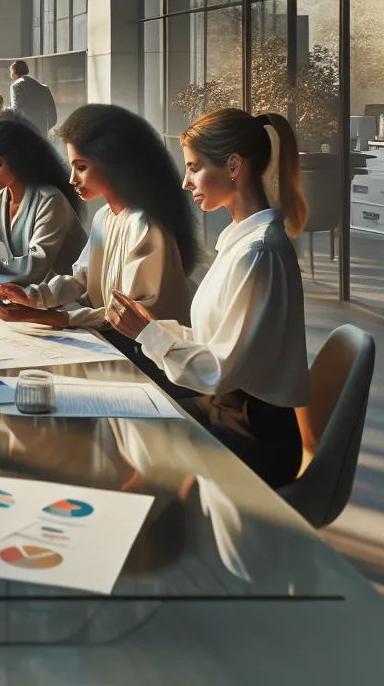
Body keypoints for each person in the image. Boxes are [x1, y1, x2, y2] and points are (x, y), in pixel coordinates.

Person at [103, 108, 311, 488]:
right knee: (124, 417)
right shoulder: (241, 244)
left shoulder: (259, 252)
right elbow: (216, 344)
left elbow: (220, 369)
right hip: (228, 413)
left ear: (233, 165)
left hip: (255, 438)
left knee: (131, 437)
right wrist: (148, 327)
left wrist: (148, 335)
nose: (186, 182)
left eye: (194, 167)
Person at [0, 105, 197, 394]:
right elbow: (81, 280)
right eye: (72, 166)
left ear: (114, 164)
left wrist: (45, 317)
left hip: (154, 364)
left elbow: (128, 316)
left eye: (81, 167)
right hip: (116, 348)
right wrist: (33, 298)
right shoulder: (104, 217)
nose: (72, 179)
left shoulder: (147, 227)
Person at [0, 118, 88, 285]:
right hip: (29, 294)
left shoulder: (51, 200)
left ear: (18, 160)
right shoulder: (2, 201)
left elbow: (37, 266)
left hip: (67, 298)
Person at [7, 60, 57, 137]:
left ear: (15, 74)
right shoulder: (44, 88)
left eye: (11, 73)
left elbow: (16, 114)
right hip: (41, 138)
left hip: (23, 137)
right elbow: (53, 118)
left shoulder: (16, 86)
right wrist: (41, 129)